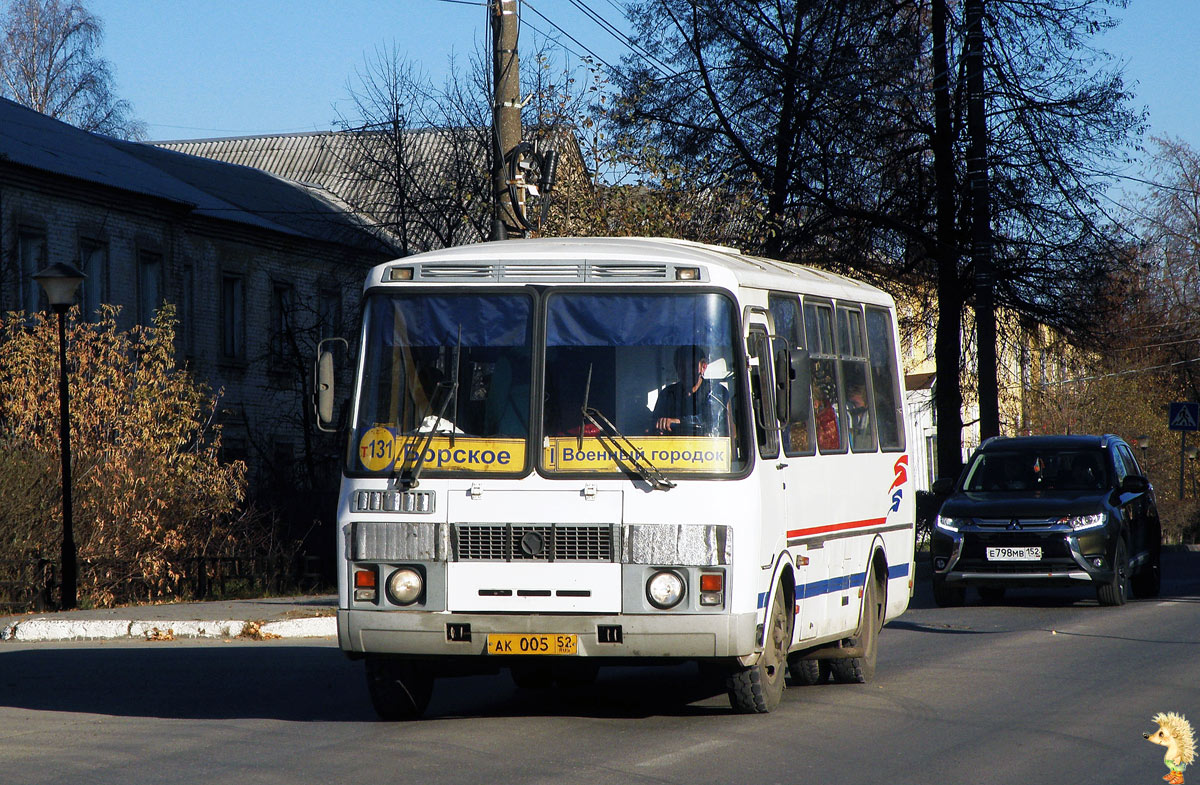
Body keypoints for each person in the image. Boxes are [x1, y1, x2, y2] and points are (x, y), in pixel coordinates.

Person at [652, 345, 729, 436]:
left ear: (703, 367)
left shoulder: (717, 391)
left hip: (709, 447)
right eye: (682, 366)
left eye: (692, 366)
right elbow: (653, 424)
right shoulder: (667, 394)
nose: (687, 371)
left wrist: (677, 422)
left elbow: (710, 420)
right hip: (672, 447)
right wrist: (659, 427)